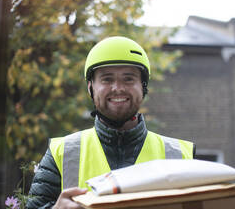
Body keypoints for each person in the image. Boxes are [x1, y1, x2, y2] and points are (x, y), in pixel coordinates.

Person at [26, 36, 196, 209]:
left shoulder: (181, 156)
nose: (118, 88)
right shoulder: (61, 153)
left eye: (128, 78)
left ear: (143, 86)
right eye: (107, 79)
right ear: (90, 87)